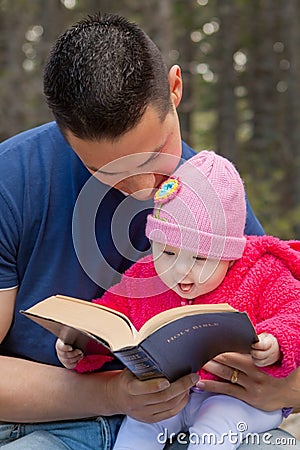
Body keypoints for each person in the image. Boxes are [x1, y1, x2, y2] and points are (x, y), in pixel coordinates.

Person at [0, 11, 299, 450]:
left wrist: (290, 390)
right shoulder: (11, 180)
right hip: (51, 424)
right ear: (65, 136)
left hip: (193, 421)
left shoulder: (211, 193)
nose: (143, 189)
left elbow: (282, 308)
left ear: (176, 89)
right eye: (105, 171)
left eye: (156, 153)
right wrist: (112, 392)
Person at [56, 151, 300, 449]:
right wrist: (81, 344)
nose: (181, 271)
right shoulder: (145, 276)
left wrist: (276, 342)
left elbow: (293, 311)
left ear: (230, 253)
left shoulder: (261, 271)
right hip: (172, 396)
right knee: (139, 425)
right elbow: (111, 316)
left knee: (215, 428)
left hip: (239, 400)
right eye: (168, 253)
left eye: (199, 258)